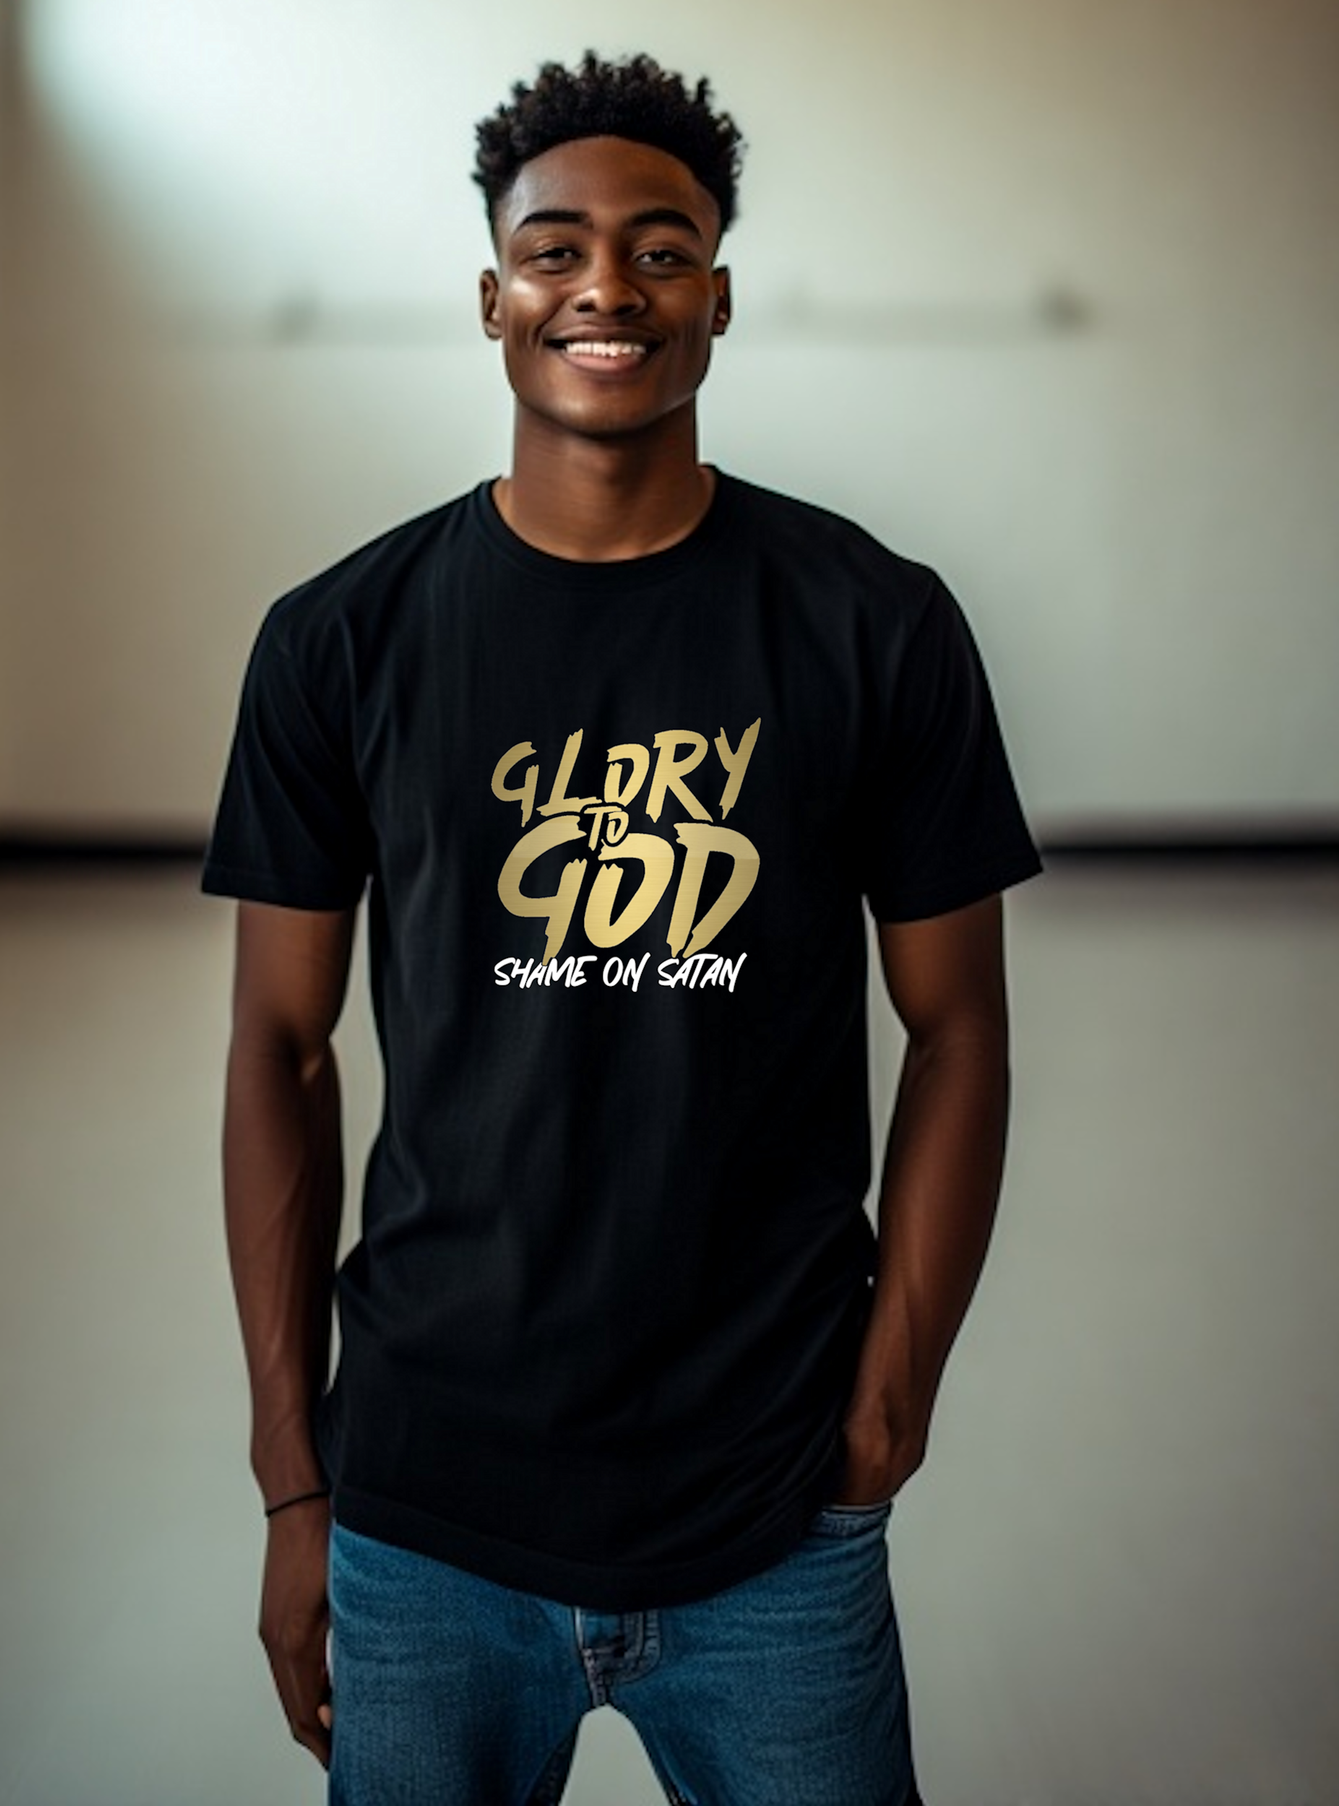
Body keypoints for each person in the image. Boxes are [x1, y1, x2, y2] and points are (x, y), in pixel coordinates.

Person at [204, 51, 1042, 1806]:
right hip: (426, 1506)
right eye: (557, 249)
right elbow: (280, 1048)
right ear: (493, 295)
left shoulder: (875, 623)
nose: (608, 286)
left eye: (661, 250)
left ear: (718, 296)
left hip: (773, 1507)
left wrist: (893, 1396)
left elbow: (959, 1027)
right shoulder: (340, 639)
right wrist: (295, 1477)